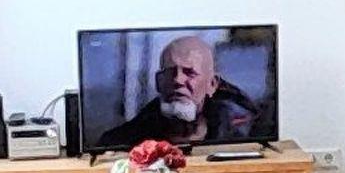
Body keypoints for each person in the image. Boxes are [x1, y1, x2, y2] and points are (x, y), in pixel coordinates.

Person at [99, 34, 260, 148]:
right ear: (158, 82)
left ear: (212, 84)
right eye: (170, 73)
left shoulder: (245, 139)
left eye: (190, 73)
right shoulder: (120, 143)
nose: (178, 80)